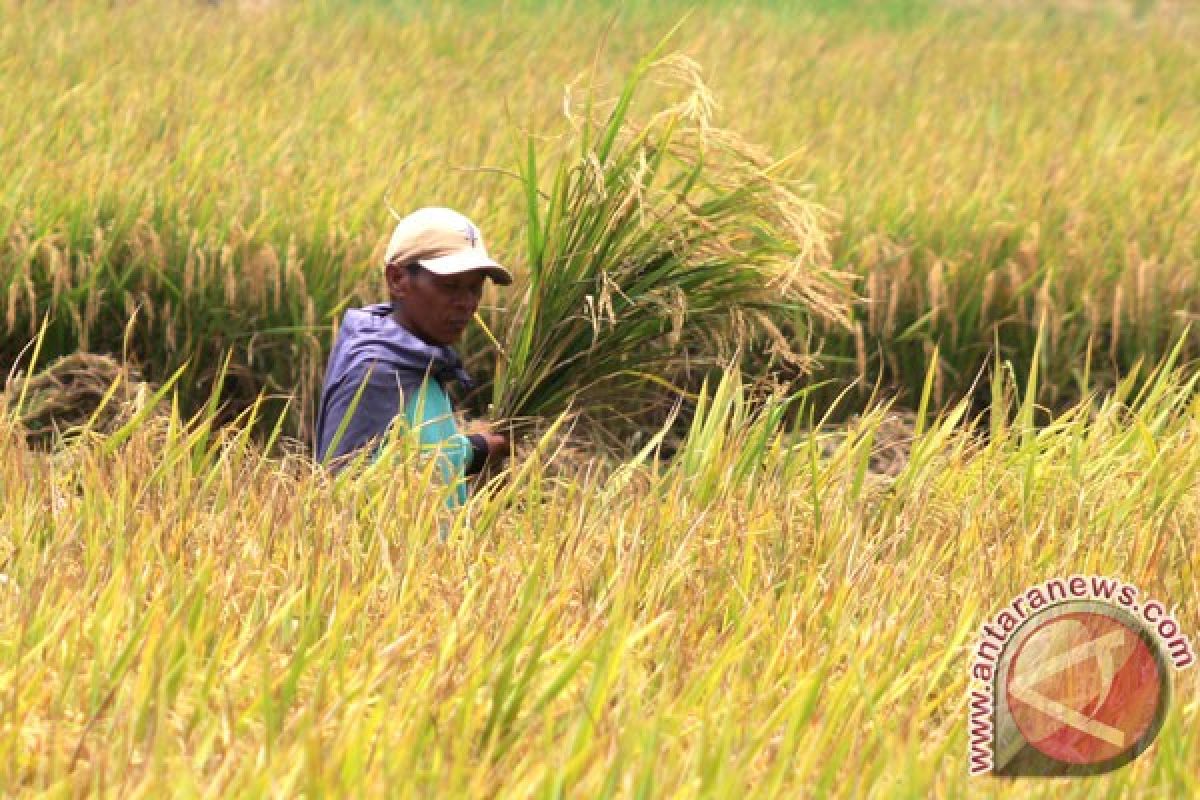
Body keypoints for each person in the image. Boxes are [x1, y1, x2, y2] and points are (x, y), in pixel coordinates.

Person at [314, 207, 513, 507]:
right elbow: (343, 498)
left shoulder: (415, 360)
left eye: (475, 288)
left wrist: (480, 449)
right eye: (450, 286)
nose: (467, 303)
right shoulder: (376, 375)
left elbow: (424, 453)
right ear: (397, 279)